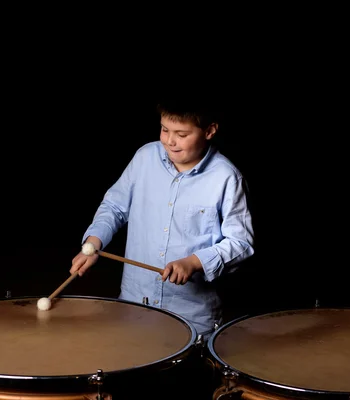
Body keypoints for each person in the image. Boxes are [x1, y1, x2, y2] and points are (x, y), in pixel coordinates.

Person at [70, 95, 255, 340]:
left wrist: (194, 262)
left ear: (209, 131)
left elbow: (241, 244)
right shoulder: (145, 157)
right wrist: (93, 244)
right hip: (134, 305)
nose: (170, 141)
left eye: (182, 134)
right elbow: (114, 206)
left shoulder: (227, 177)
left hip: (192, 318)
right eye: (164, 129)